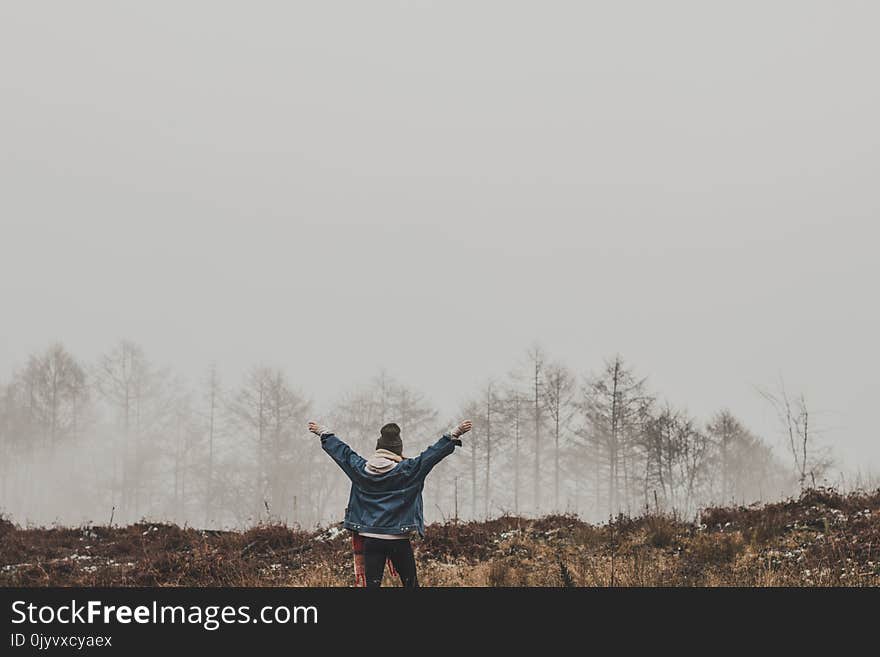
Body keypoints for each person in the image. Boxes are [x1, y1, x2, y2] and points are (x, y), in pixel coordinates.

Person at [308, 419, 472, 587]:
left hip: (371, 539)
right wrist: (453, 434)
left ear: (378, 449)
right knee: (411, 584)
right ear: (397, 451)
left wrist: (325, 433)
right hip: (398, 539)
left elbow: (343, 454)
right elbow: (430, 456)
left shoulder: (360, 469)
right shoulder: (408, 470)